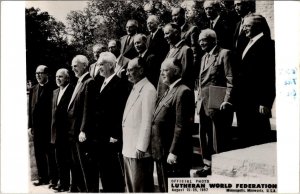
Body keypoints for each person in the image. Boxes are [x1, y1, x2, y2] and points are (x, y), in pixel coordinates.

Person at [151, 58, 194, 192]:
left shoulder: (183, 91)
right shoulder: (168, 90)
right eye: (161, 70)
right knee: (165, 187)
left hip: (173, 154)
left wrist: (173, 151)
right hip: (161, 151)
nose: (162, 73)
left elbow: (181, 126)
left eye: (165, 70)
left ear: (176, 71)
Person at [196, 29, 235, 177]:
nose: (201, 43)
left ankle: (221, 168)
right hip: (203, 103)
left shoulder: (224, 54)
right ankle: (207, 166)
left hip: (217, 103)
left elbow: (230, 79)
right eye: (199, 40)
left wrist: (227, 100)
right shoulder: (203, 57)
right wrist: (198, 99)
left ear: (213, 39)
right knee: (204, 137)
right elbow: (200, 83)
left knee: (218, 137)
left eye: (203, 39)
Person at [236, 14, 275, 147]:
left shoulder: (268, 45)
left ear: (258, 26)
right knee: (245, 138)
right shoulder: (246, 43)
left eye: (247, 26)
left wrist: (265, 102)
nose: (244, 29)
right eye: (244, 25)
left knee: (259, 139)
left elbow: (269, 76)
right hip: (244, 101)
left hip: (257, 103)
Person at [94, 52, 130, 192]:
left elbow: (119, 111)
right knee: (104, 171)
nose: (99, 67)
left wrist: (115, 135)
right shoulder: (100, 82)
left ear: (110, 65)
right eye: (98, 64)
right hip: (101, 136)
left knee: (114, 173)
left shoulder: (120, 84)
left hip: (112, 137)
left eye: (101, 64)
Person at [122, 57, 156, 192]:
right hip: (129, 147)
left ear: (141, 70)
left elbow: (147, 120)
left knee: (140, 187)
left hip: (138, 150)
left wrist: (141, 147)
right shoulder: (136, 87)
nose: (127, 73)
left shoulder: (148, 90)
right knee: (131, 187)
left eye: (130, 70)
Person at [67, 55, 98, 192]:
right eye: (72, 66)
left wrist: (83, 130)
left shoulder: (89, 82)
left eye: (75, 65)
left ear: (85, 65)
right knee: (77, 166)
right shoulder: (79, 82)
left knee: (85, 168)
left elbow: (88, 108)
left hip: (81, 133)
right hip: (73, 132)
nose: (72, 68)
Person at [28, 65, 58, 187]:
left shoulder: (53, 88)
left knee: (50, 154)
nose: (38, 75)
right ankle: (42, 177)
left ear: (46, 74)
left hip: (48, 127)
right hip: (37, 127)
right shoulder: (33, 89)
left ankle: (53, 179)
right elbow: (30, 109)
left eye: (40, 73)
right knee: (39, 153)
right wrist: (30, 126)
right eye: (36, 73)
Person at [50, 68, 74, 192]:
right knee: (59, 160)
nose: (58, 79)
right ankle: (63, 184)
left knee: (69, 160)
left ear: (67, 78)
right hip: (56, 133)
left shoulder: (72, 90)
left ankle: (71, 185)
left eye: (61, 76)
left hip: (67, 132)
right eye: (56, 76)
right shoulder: (55, 92)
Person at [158, 23, 194, 99]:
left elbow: (184, 77)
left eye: (167, 33)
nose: (165, 37)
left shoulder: (185, 50)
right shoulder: (171, 50)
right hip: (166, 94)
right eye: (164, 34)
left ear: (176, 33)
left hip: (175, 96)